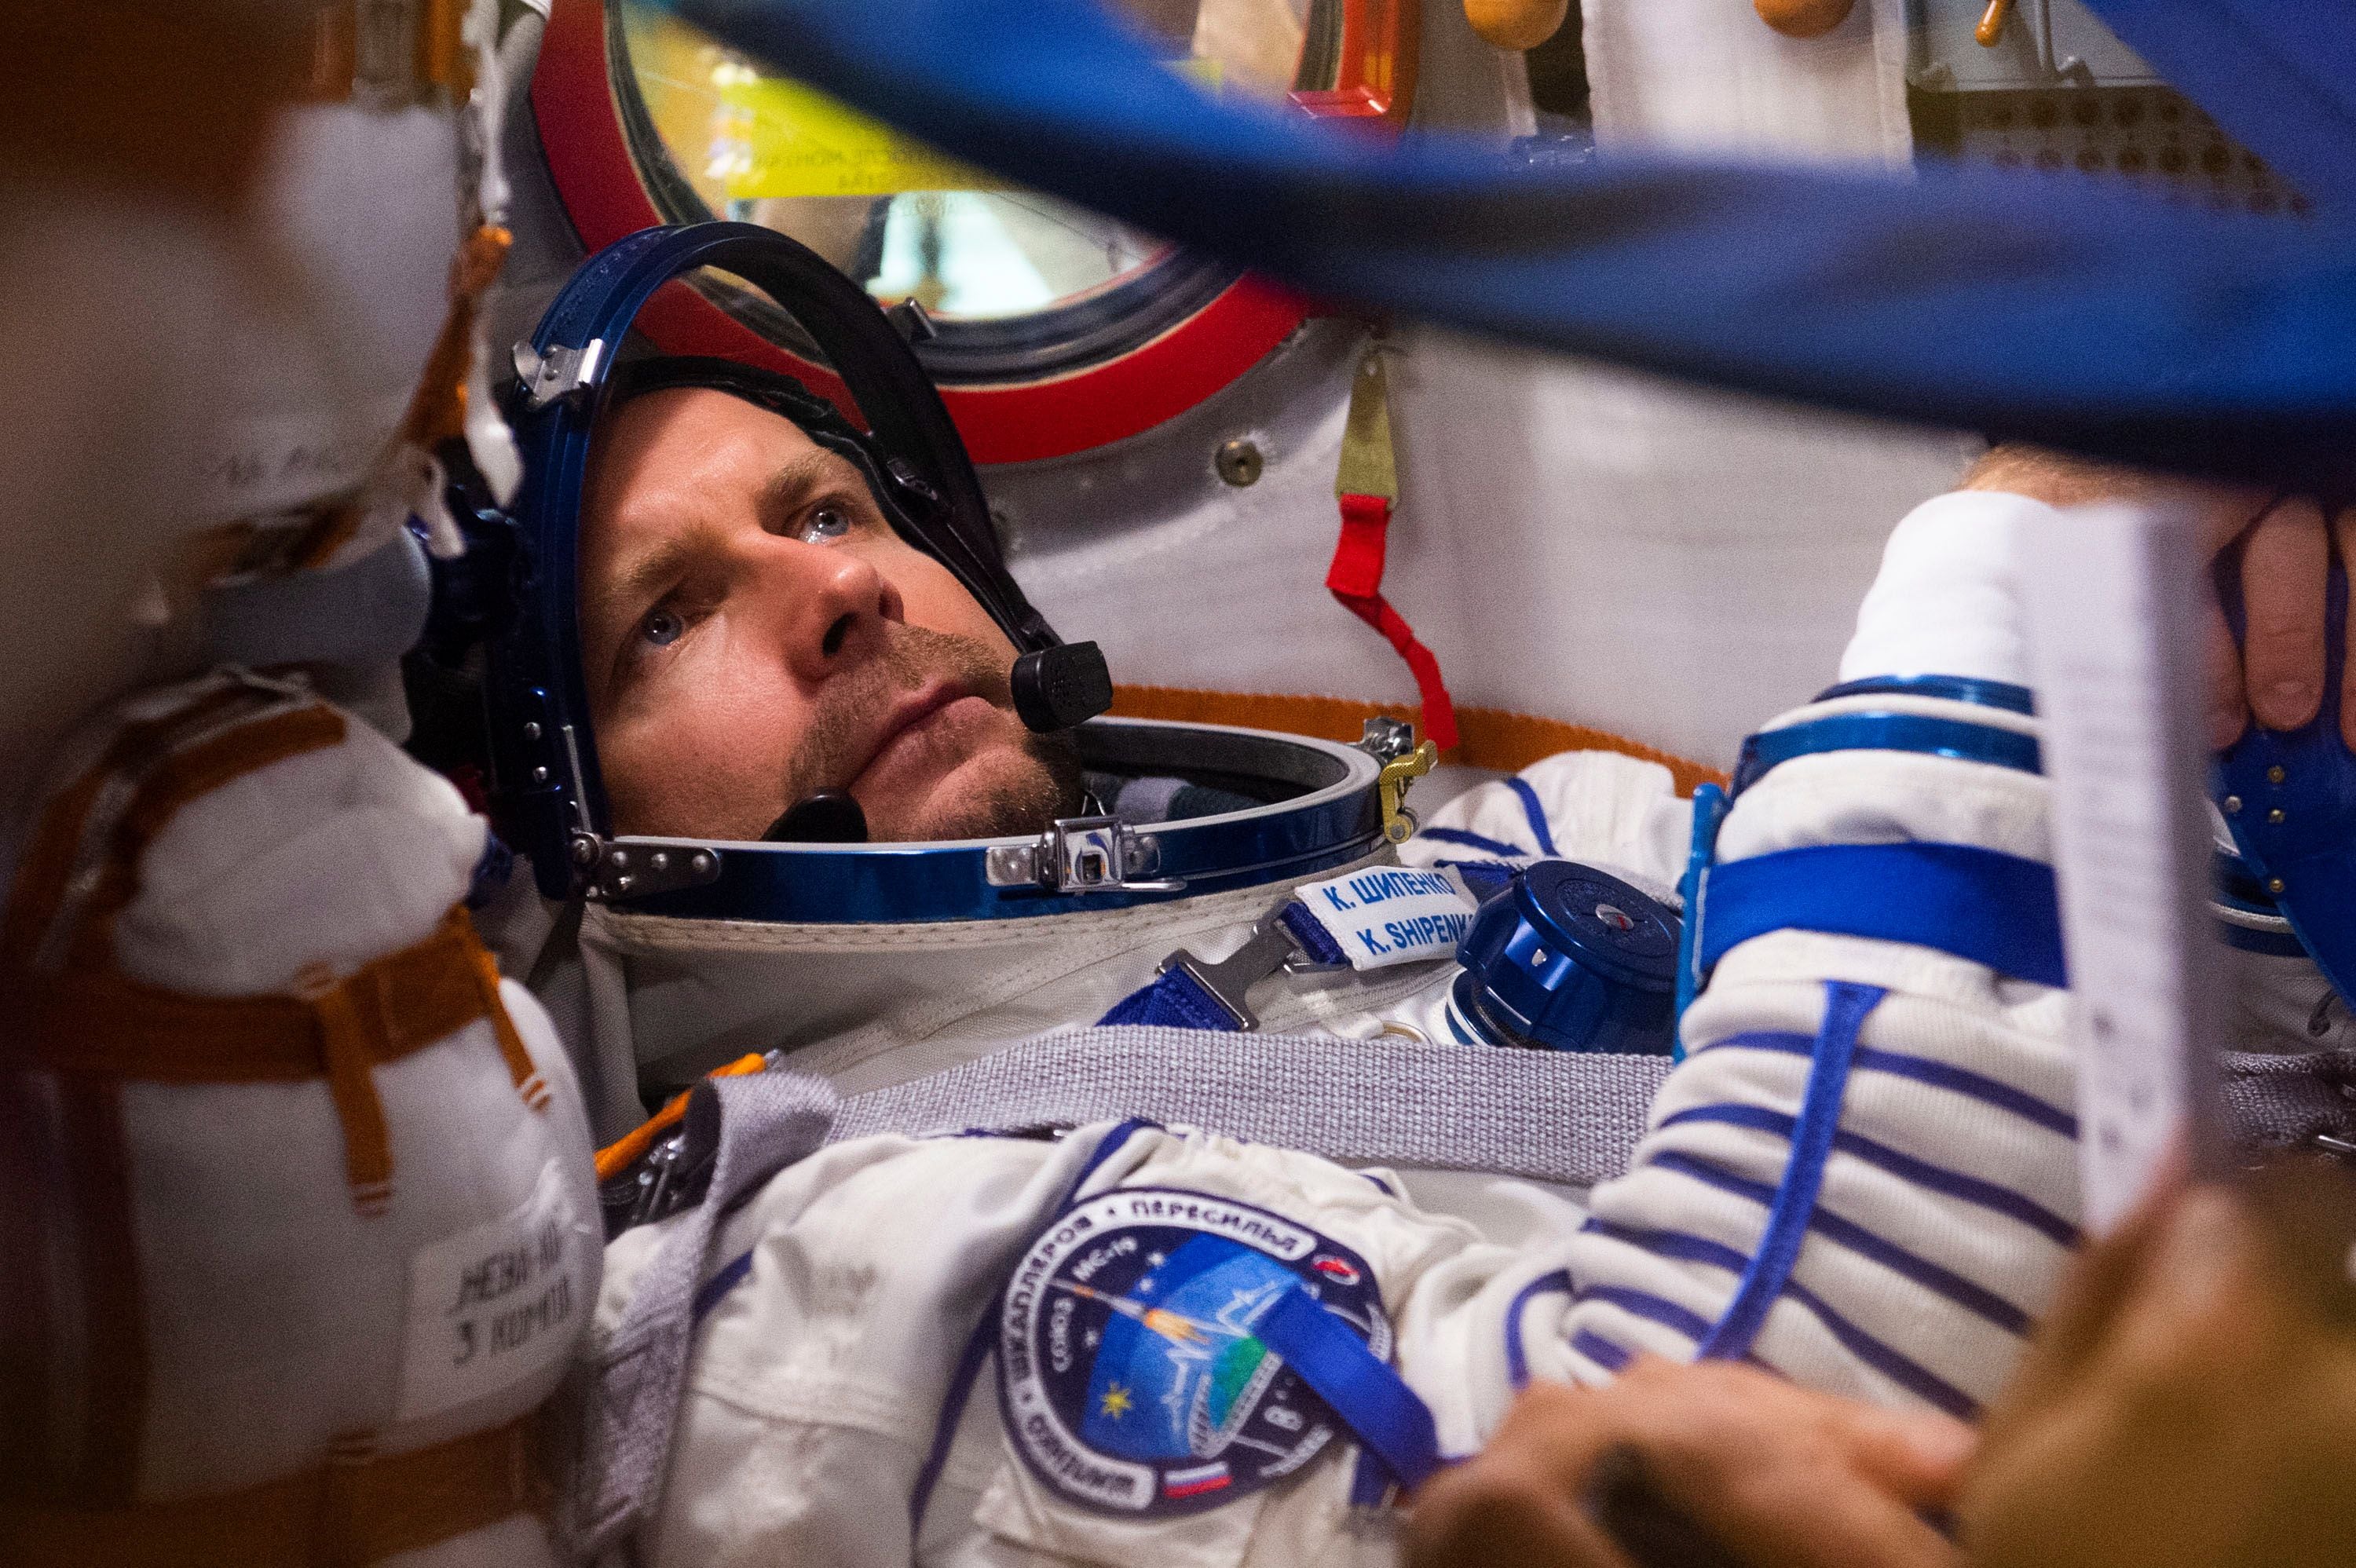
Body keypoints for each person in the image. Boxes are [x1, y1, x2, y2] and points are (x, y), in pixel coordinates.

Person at [508, 228, 2109, 1558]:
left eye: (828, 511)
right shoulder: (826, 1290)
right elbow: (1730, 1491)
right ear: (562, 808)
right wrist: (2015, 580)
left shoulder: (1529, 833)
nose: (841, 586)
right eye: (671, 614)